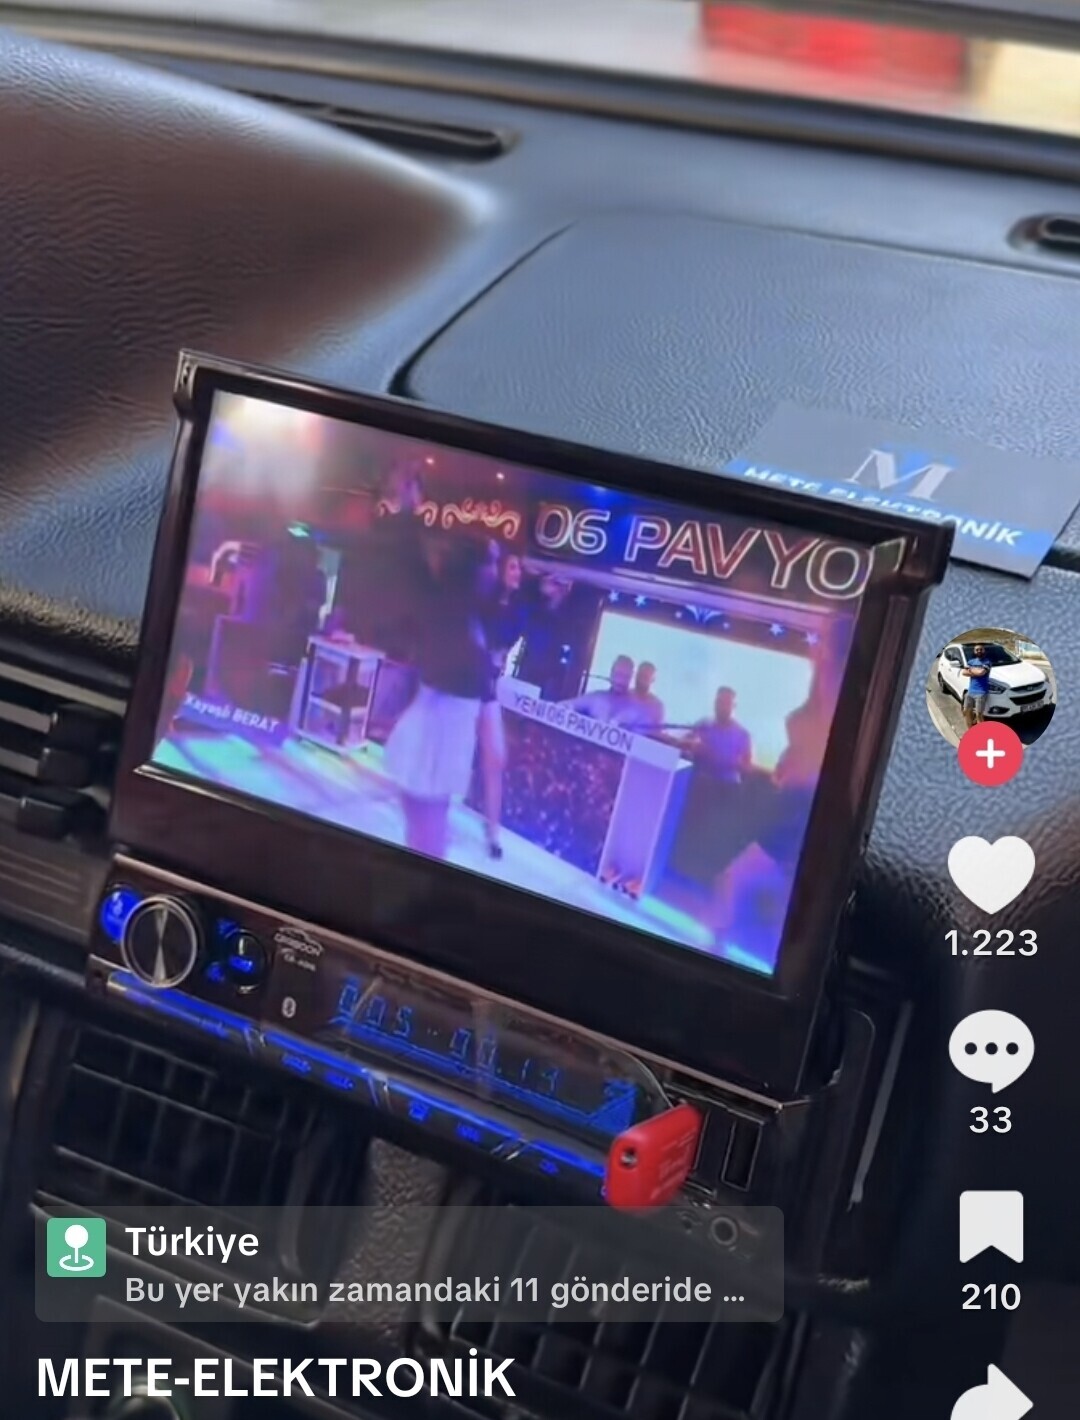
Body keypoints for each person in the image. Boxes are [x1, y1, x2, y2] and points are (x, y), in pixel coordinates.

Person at [383, 537, 500, 861]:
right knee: (428, 849)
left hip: (438, 735)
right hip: (434, 739)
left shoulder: (464, 615)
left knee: (424, 842)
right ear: (474, 569)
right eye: (492, 562)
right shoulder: (450, 617)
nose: (497, 571)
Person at [477, 550, 528, 860]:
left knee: (496, 758)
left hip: (488, 687)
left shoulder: (517, 611)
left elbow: (504, 647)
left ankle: (493, 832)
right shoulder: (483, 601)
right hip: (466, 682)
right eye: (512, 567)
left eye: (519, 568)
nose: (517, 572)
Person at [687, 687, 752, 783]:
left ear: (734, 706)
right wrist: (694, 748)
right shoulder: (703, 725)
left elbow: (747, 767)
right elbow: (685, 746)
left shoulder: (742, 735)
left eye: (726, 703)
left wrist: (725, 760)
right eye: (719, 702)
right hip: (701, 782)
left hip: (727, 786)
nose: (722, 707)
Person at [566, 655, 643, 727]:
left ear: (631, 678)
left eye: (625, 676)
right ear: (611, 674)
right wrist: (569, 708)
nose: (620, 681)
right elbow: (566, 705)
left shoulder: (636, 710)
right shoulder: (596, 698)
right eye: (618, 674)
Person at [961, 642, 993, 727]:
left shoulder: (987, 662)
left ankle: (980, 733)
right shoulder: (971, 661)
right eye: (977, 649)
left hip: (981, 692)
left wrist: (970, 669)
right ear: (974, 651)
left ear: (984, 650)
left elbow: (981, 672)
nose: (979, 651)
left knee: (979, 714)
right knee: (966, 711)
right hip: (970, 691)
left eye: (981, 649)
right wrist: (976, 671)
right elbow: (964, 672)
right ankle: (970, 731)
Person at [630, 662, 665, 730]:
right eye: (640, 675)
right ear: (635, 675)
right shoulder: (624, 695)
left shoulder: (656, 706)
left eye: (645, 677)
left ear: (653, 679)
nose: (641, 680)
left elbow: (657, 732)